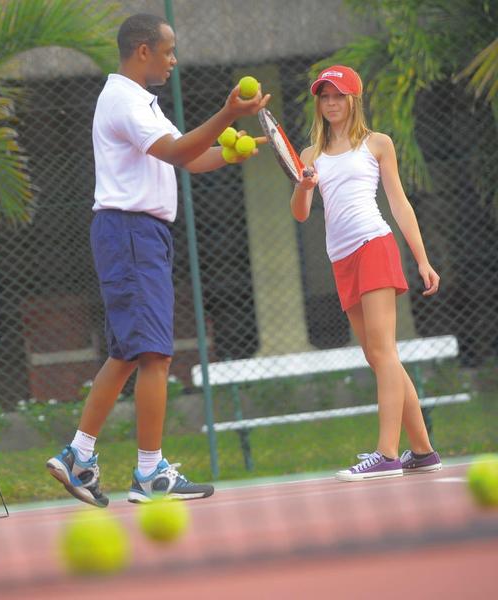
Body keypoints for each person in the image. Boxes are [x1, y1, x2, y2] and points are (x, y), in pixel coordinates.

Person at [46, 13, 270, 506]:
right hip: (131, 233)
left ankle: (79, 458)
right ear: (142, 50)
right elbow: (175, 151)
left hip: (137, 234)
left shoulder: (141, 102)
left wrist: (236, 151)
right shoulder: (123, 101)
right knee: (154, 355)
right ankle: (148, 473)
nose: (173, 59)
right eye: (168, 51)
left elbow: (190, 156)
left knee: (129, 353)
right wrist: (229, 113)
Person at [291, 65, 442, 482]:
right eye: (324, 96)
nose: (331, 103)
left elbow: (399, 203)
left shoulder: (377, 144)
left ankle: (387, 453)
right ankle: (424, 451)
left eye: (338, 95)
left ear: (353, 99)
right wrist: (304, 187)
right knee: (378, 357)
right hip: (340, 258)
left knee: (383, 352)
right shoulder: (309, 156)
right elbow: (300, 214)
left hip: (374, 246)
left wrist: (423, 259)